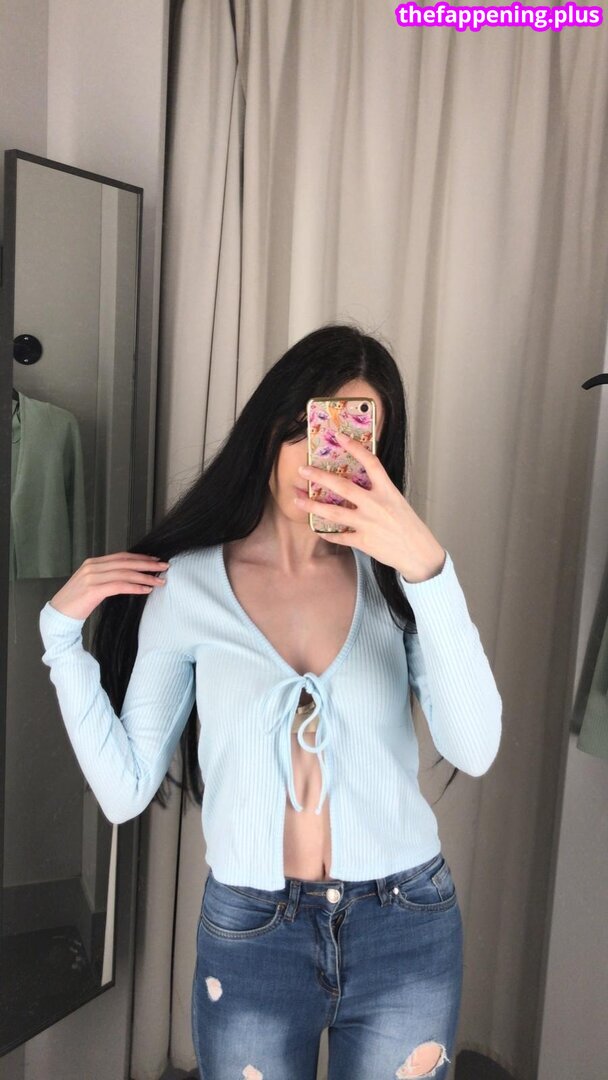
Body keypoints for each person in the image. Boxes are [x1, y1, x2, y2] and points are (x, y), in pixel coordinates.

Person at [39, 324, 502, 1079]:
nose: (322, 457)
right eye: (308, 428)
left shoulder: (400, 581)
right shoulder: (188, 586)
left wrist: (429, 568)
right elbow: (124, 792)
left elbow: (475, 747)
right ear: (273, 427)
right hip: (254, 931)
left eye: (351, 438)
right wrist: (60, 639)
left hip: (405, 921)